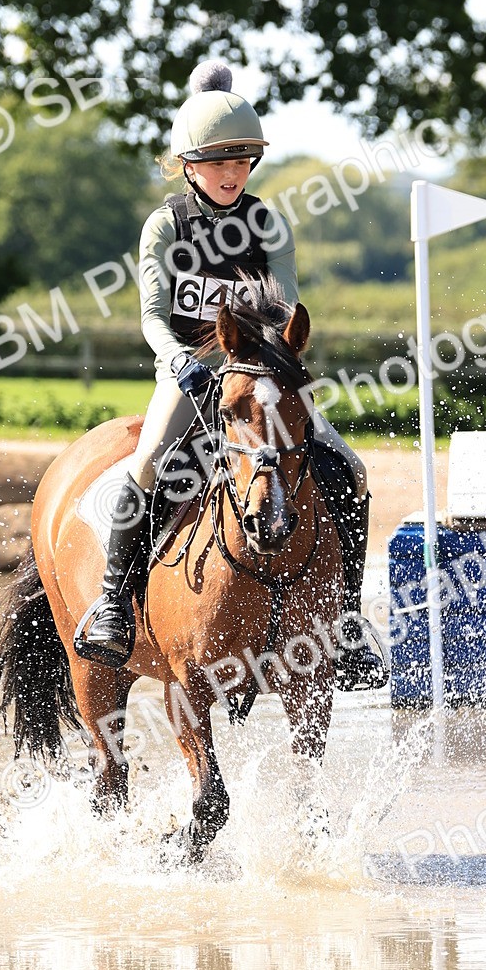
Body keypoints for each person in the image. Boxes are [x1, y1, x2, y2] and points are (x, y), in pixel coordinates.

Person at [75, 61, 386, 690]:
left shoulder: (268, 224)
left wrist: (261, 368)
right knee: (149, 463)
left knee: (346, 467)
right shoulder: (165, 226)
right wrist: (182, 365)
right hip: (188, 373)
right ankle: (112, 605)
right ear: (189, 165)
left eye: (241, 161)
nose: (230, 174)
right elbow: (154, 318)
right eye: (218, 162)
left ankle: (346, 623)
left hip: (255, 375)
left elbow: (284, 312)